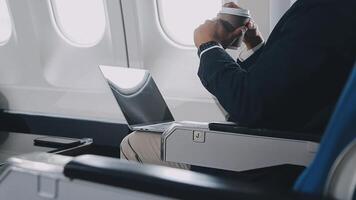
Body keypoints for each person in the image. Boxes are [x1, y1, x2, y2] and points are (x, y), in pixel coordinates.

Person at [121, 0, 356, 171]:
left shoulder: (324, 12)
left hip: (275, 159)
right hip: (281, 140)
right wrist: (254, 43)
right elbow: (284, 87)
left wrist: (208, 46)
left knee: (135, 143)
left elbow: (248, 103)